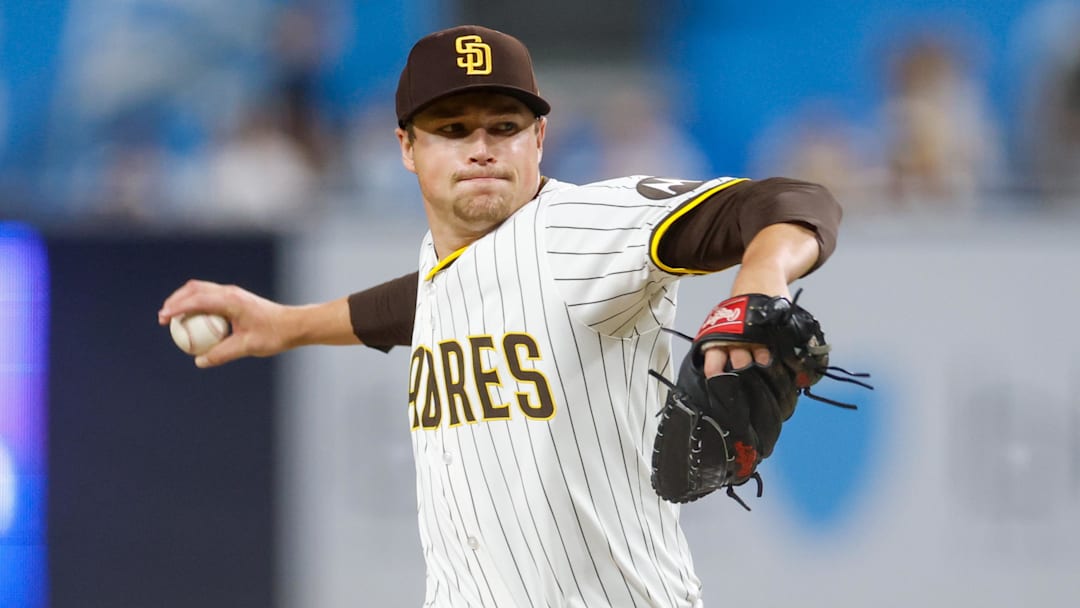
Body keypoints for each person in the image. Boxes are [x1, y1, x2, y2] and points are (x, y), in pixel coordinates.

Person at [158, 25, 841, 608]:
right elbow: (426, 300)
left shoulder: (586, 225)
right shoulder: (449, 264)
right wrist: (289, 324)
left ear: (539, 138)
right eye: (453, 130)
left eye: (504, 127)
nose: (481, 147)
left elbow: (794, 200)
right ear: (406, 147)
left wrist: (758, 283)